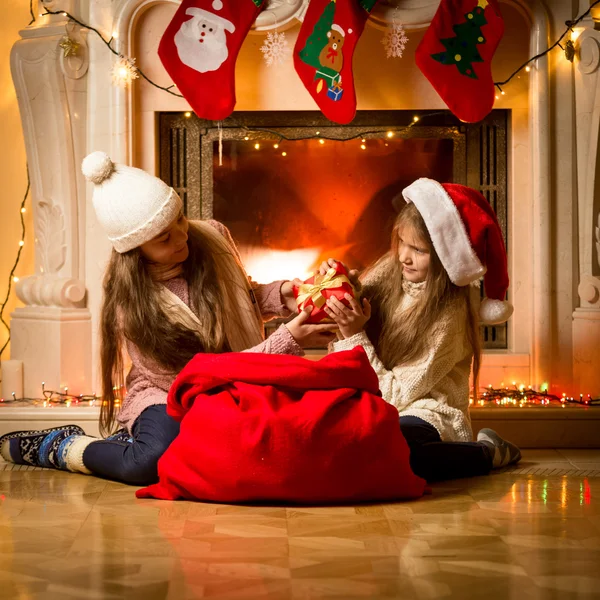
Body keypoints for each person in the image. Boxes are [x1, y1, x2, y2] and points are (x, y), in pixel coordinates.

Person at [0, 152, 336, 485]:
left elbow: (236, 299)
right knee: (146, 464)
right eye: (164, 237)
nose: (182, 236)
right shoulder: (132, 307)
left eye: (179, 219)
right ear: (136, 251)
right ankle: (61, 446)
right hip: (171, 389)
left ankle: (131, 440)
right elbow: (196, 377)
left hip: (229, 379)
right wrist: (287, 340)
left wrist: (285, 294)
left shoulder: (211, 236)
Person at [323, 178, 521, 482]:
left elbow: (398, 395)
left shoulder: (450, 313)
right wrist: (339, 284)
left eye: (418, 249)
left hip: (426, 411)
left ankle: (487, 452)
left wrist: (353, 337)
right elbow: (356, 304)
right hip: (380, 404)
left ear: (445, 254)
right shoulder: (393, 269)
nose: (403, 256)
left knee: (397, 451)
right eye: (401, 242)